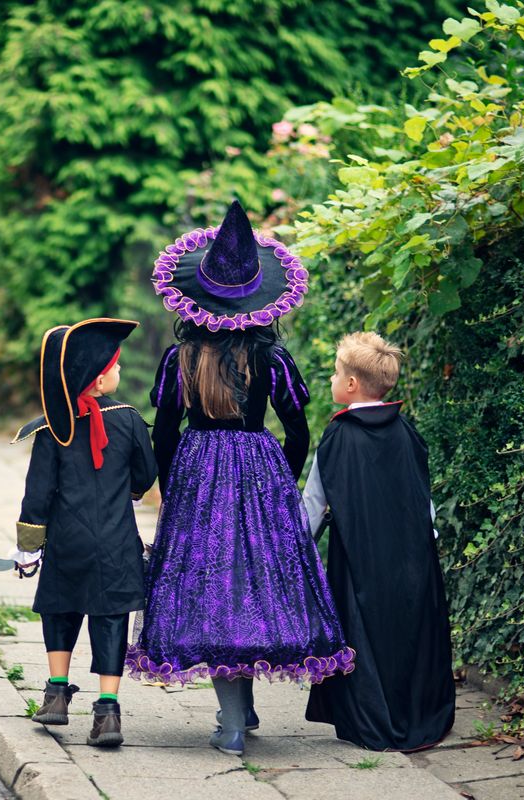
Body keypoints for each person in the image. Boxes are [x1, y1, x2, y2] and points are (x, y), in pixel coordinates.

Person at [126, 200, 354, 756]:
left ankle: (233, 722)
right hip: (259, 469)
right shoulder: (272, 358)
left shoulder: (180, 358)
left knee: (212, 586)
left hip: (198, 470)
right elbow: (298, 429)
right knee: (250, 584)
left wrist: (172, 485)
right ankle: (239, 712)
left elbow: (164, 431)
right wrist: (283, 482)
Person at [303, 332, 455, 752]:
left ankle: (370, 717)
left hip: (359, 560)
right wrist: (426, 543)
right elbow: (423, 501)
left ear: (352, 384)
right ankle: (413, 713)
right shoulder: (406, 432)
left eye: (336, 373)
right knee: (406, 633)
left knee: (364, 634)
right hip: (411, 557)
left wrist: (294, 549)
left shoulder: (338, 436)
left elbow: (313, 504)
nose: (332, 379)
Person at [13, 318, 157, 747]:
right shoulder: (129, 419)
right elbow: (144, 475)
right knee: (111, 618)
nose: (119, 370)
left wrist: (28, 548)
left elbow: (37, 492)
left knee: (60, 608)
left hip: (66, 541)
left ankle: (56, 694)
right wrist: (127, 491)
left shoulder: (53, 427)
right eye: (115, 365)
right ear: (100, 378)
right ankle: (108, 713)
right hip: (116, 541)